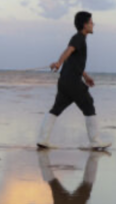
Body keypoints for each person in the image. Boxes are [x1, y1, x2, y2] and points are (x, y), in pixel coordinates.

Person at [37, 11, 111, 150]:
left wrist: (85, 76)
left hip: (65, 81)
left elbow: (73, 61)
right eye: (91, 22)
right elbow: (68, 51)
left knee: (56, 108)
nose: (93, 24)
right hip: (72, 81)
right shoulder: (79, 38)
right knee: (88, 104)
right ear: (85, 25)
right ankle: (95, 141)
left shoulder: (79, 39)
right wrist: (59, 62)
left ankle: (42, 140)